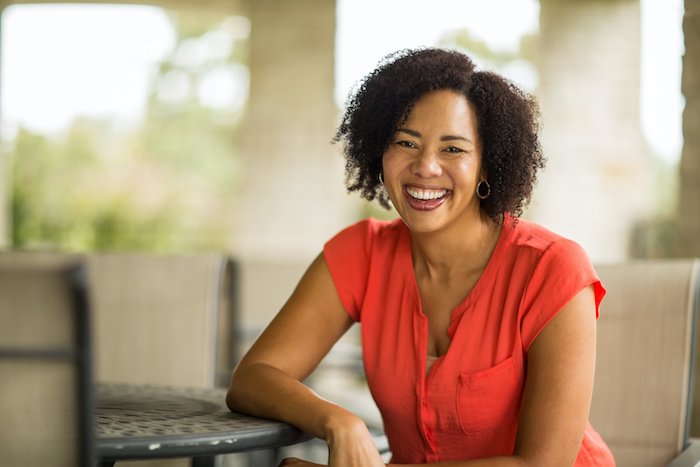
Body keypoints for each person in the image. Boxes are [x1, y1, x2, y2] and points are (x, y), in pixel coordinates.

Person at [226, 47, 615, 466]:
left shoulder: (552, 268)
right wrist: (339, 421)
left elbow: (542, 465)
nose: (425, 167)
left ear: (487, 167)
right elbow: (253, 377)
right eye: (406, 142)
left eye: (453, 149)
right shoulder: (363, 254)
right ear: (380, 153)